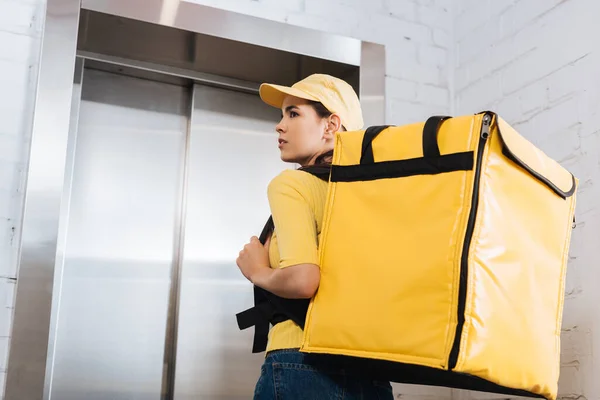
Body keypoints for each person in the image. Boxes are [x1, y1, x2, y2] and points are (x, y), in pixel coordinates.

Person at [235, 74, 394, 399]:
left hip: (300, 362)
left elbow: (304, 280)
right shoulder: (369, 195)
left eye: (293, 113)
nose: (279, 126)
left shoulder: (292, 185)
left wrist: (258, 271)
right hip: (371, 371)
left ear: (330, 126)